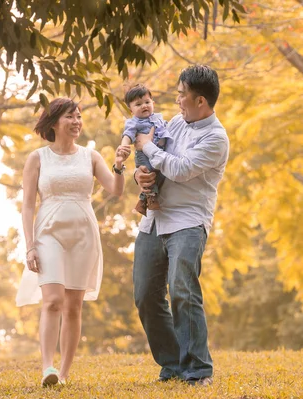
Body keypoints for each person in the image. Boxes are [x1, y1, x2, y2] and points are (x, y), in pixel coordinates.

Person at [16, 98, 131, 387]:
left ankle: (64, 375)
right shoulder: (37, 158)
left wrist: (119, 165)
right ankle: (47, 368)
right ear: (54, 122)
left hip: (83, 234)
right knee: (52, 300)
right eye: (70, 117)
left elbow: (115, 190)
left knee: (73, 306)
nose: (77, 122)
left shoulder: (90, 157)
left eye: (79, 116)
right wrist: (29, 245)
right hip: (48, 233)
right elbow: (28, 205)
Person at [132, 65, 229, 386]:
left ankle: (198, 369)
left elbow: (180, 168)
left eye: (182, 94)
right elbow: (156, 164)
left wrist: (146, 146)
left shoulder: (216, 138)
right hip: (154, 220)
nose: (176, 100)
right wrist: (139, 174)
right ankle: (172, 364)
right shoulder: (175, 123)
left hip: (188, 222)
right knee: (145, 294)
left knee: (183, 290)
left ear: (200, 100)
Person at [120, 84, 168, 216]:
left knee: (160, 175)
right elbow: (128, 134)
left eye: (147, 102)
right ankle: (151, 198)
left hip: (157, 153)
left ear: (153, 102)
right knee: (149, 175)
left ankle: (142, 202)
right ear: (131, 110)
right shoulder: (133, 122)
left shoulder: (158, 118)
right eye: (138, 104)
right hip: (143, 156)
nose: (144, 106)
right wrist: (124, 146)